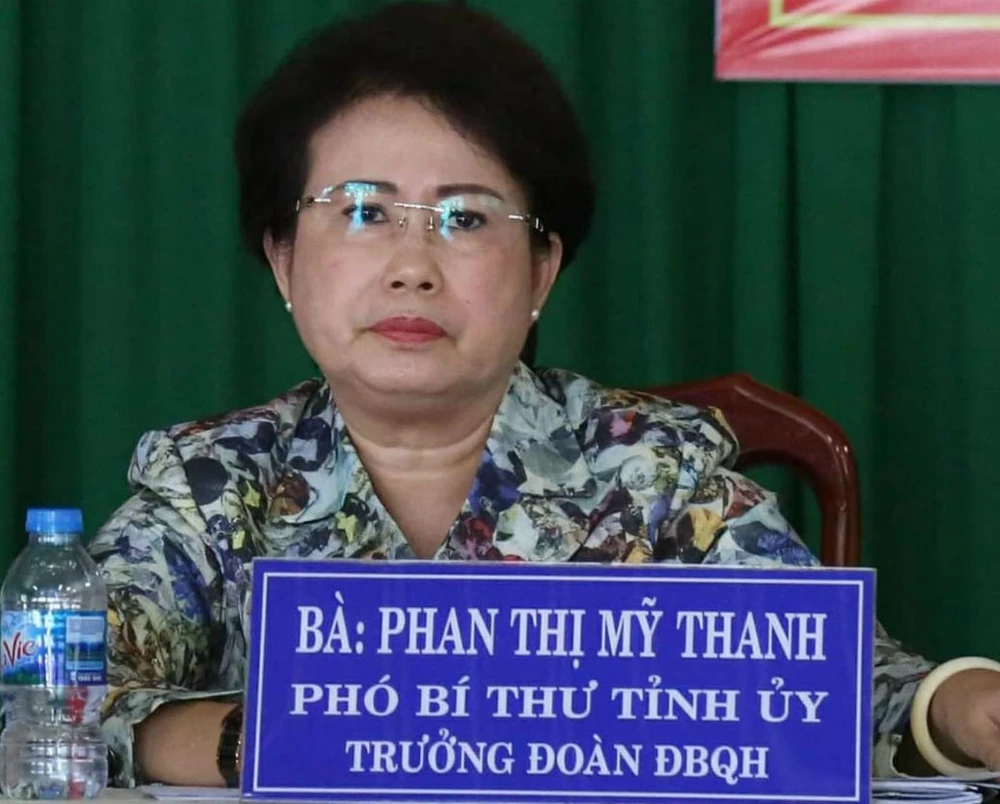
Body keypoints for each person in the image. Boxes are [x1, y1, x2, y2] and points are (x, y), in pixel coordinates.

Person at [89, 1, 1000, 789]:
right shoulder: (213, 484)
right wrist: (259, 743)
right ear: (285, 259)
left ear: (540, 272)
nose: (412, 266)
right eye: (362, 210)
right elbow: (57, 689)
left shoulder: (653, 473)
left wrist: (959, 707)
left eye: (466, 217)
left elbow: (827, 685)